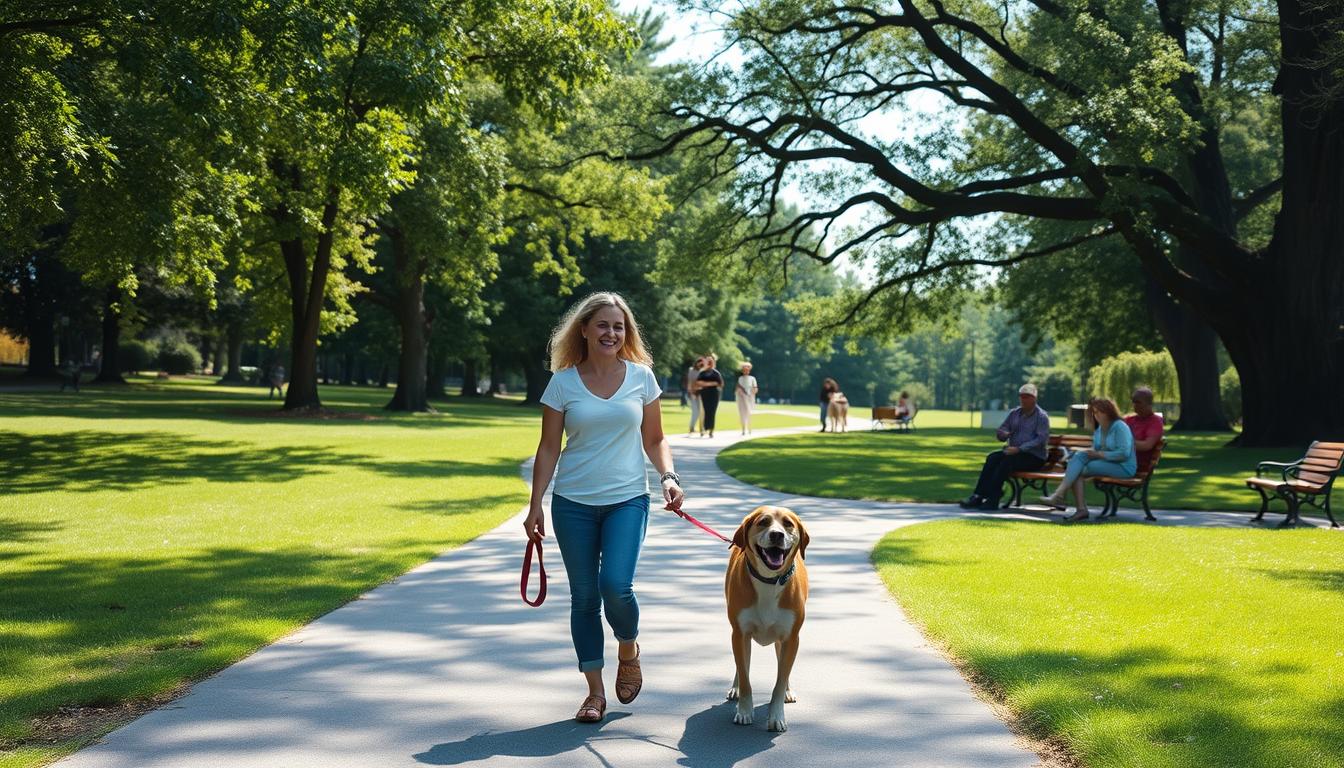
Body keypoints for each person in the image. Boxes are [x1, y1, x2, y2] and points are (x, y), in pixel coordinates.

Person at [524, 292, 685, 725]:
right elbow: (548, 447)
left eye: (619, 326)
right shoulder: (562, 383)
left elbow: (655, 439)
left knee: (616, 584)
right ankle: (594, 694)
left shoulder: (642, 378)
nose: (611, 333)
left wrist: (669, 477)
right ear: (584, 329)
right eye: (603, 325)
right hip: (573, 503)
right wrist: (535, 503)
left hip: (628, 499)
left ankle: (628, 646)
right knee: (583, 598)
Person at [1042, 397, 1136, 521]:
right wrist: (1087, 453)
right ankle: (1077, 507)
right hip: (1107, 463)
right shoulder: (1099, 430)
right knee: (1079, 458)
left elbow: (1123, 453)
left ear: (1109, 411)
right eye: (1095, 412)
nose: (1097, 415)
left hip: (1124, 467)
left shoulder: (1120, 427)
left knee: (1078, 470)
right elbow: (1095, 450)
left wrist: (1099, 455)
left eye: (1100, 412)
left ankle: (1060, 496)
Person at [959, 383, 1050, 510]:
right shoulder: (1014, 413)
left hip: (1034, 457)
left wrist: (1019, 448)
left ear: (1034, 398)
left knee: (1006, 462)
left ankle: (993, 500)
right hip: (1014, 452)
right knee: (992, 458)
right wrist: (1003, 434)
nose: (1023, 399)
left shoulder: (1041, 417)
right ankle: (978, 496)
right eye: (1021, 396)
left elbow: (1041, 439)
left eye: (1027, 396)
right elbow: (1002, 429)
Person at [1125, 386, 1164, 470]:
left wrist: (1121, 443)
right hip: (1121, 460)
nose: (1134, 405)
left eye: (1138, 402)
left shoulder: (1155, 422)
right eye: (1133, 401)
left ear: (1149, 403)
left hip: (1136, 465)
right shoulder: (1128, 419)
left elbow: (1146, 446)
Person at [696, 353, 724, 438]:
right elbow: (698, 383)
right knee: (705, 411)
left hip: (714, 394)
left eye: (711, 361)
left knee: (712, 412)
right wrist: (711, 383)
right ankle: (704, 429)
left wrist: (705, 384)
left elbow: (720, 384)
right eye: (708, 361)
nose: (709, 363)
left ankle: (711, 430)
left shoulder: (716, 373)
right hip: (704, 394)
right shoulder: (702, 373)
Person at [735, 362, 758, 435]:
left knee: (749, 413)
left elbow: (755, 388)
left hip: (750, 398)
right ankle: (743, 429)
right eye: (744, 370)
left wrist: (752, 392)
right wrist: (741, 392)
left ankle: (749, 428)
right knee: (742, 413)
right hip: (741, 398)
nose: (745, 371)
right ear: (742, 371)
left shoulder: (752, 378)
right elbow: (737, 388)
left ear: (749, 370)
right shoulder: (740, 378)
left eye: (747, 370)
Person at [686, 357, 704, 436]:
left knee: (701, 412)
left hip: (700, 394)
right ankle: (691, 427)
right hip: (692, 393)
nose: (700, 364)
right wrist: (691, 392)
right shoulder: (691, 370)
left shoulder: (702, 371)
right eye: (699, 362)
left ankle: (699, 428)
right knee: (695, 412)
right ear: (696, 363)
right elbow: (690, 382)